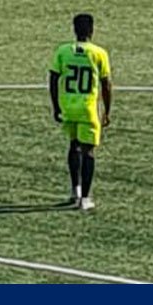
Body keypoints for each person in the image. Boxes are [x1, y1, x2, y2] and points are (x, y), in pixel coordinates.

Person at [49, 13, 113, 211]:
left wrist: (56, 105)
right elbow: (106, 84)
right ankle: (85, 198)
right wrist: (107, 111)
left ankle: (74, 189)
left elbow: (53, 79)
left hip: (69, 106)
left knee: (73, 146)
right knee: (88, 151)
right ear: (92, 30)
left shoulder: (63, 51)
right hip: (88, 109)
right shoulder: (99, 53)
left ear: (74, 30)